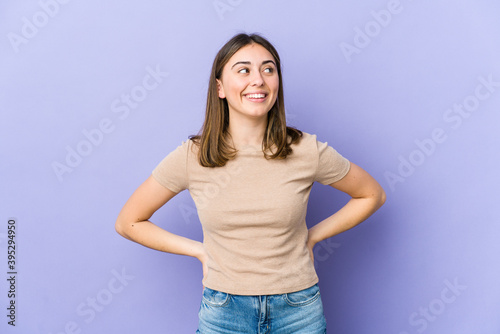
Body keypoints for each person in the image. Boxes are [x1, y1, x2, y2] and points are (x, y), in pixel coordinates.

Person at [115, 33, 386, 333]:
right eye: (243, 70)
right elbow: (129, 222)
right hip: (224, 312)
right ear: (220, 87)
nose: (258, 79)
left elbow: (371, 194)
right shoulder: (193, 156)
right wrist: (199, 251)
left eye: (268, 69)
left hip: (298, 310)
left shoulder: (305, 150)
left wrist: (312, 236)